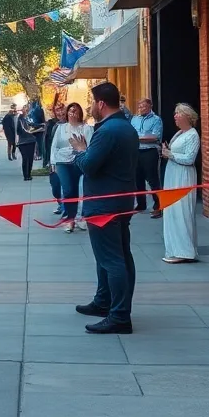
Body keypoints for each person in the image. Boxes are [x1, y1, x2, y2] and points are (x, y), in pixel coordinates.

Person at [70, 81, 138, 334]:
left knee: (112, 260)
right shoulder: (125, 127)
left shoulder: (108, 130)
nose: (89, 107)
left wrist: (80, 151)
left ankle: (119, 316)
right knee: (114, 256)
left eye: (91, 102)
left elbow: (88, 164)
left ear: (100, 103)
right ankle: (104, 301)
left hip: (104, 204)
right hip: (119, 200)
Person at [160, 103, 200, 263]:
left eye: (178, 113)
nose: (175, 116)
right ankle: (174, 249)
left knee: (181, 212)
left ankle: (184, 251)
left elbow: (190, 159)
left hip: (183, 176)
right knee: (171, 211)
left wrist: (170, 154)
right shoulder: (179, 133)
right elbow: (176, 153)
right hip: (173, 173)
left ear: (186, 116)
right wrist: (168, 151)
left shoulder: (192, 135)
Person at [51, 103, 91, 232]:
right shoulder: (61, 128)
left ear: (80, 113)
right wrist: (53, 163)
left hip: (79, 162)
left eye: (76, 110)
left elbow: (90, 147)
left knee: (80, 190)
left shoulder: (86, 128)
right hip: (62, 162)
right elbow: (54, 146)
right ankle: (70, 219)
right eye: (70, 110)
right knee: (68, 190)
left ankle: (81, 217)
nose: (72, 113)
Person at [131, 98, 164, 217]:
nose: (141, 109)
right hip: (136, 151)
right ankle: (141, 204)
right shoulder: (134, 119)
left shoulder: (156, 120)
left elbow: (155, 137)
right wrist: (140, 137)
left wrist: (137, 138)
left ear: (150, 106)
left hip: (150, 151)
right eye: (139, 106)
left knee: (152, 179)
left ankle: (159, 206)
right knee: (137, 179)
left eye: (144, 106)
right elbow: (131, 133)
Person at [43, 99, 66, 202]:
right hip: (54, 159)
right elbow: (47, 142)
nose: (60, 113)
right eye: (57, 110)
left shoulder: (72, 123)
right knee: (55, 186)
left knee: (67, 186)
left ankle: (65, 207)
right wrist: (48, 160)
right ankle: (59, 202)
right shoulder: (51, 124)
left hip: (68, 160)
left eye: (62, 110)